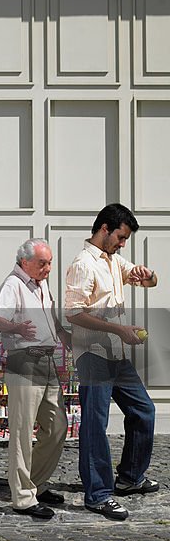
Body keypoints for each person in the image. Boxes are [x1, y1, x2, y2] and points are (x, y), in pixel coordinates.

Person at [65, 203, 159, 521]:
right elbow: (74, 313)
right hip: (93, 356)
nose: (122, 243)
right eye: (121, 237)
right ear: (105, 229)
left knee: (144, 410)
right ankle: (98, 495)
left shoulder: (113, 260)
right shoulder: (83, 264)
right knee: (95, 425)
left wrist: (149, 275)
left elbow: (146, 282)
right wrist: (119, 328)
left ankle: (130, 478)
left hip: (117, 354)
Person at [0, 239, 71, 520]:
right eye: (43, 263)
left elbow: (50, 316)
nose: (48, 268)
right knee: (23, 432)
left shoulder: (41, 283)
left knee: (58, 426)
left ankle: (33, 483)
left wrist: (64, 336)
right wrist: (16, 327)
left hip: (47, 361)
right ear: (25, 261)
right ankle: (23, 498)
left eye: (49, 262)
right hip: (23, 360)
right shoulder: (13, 284)